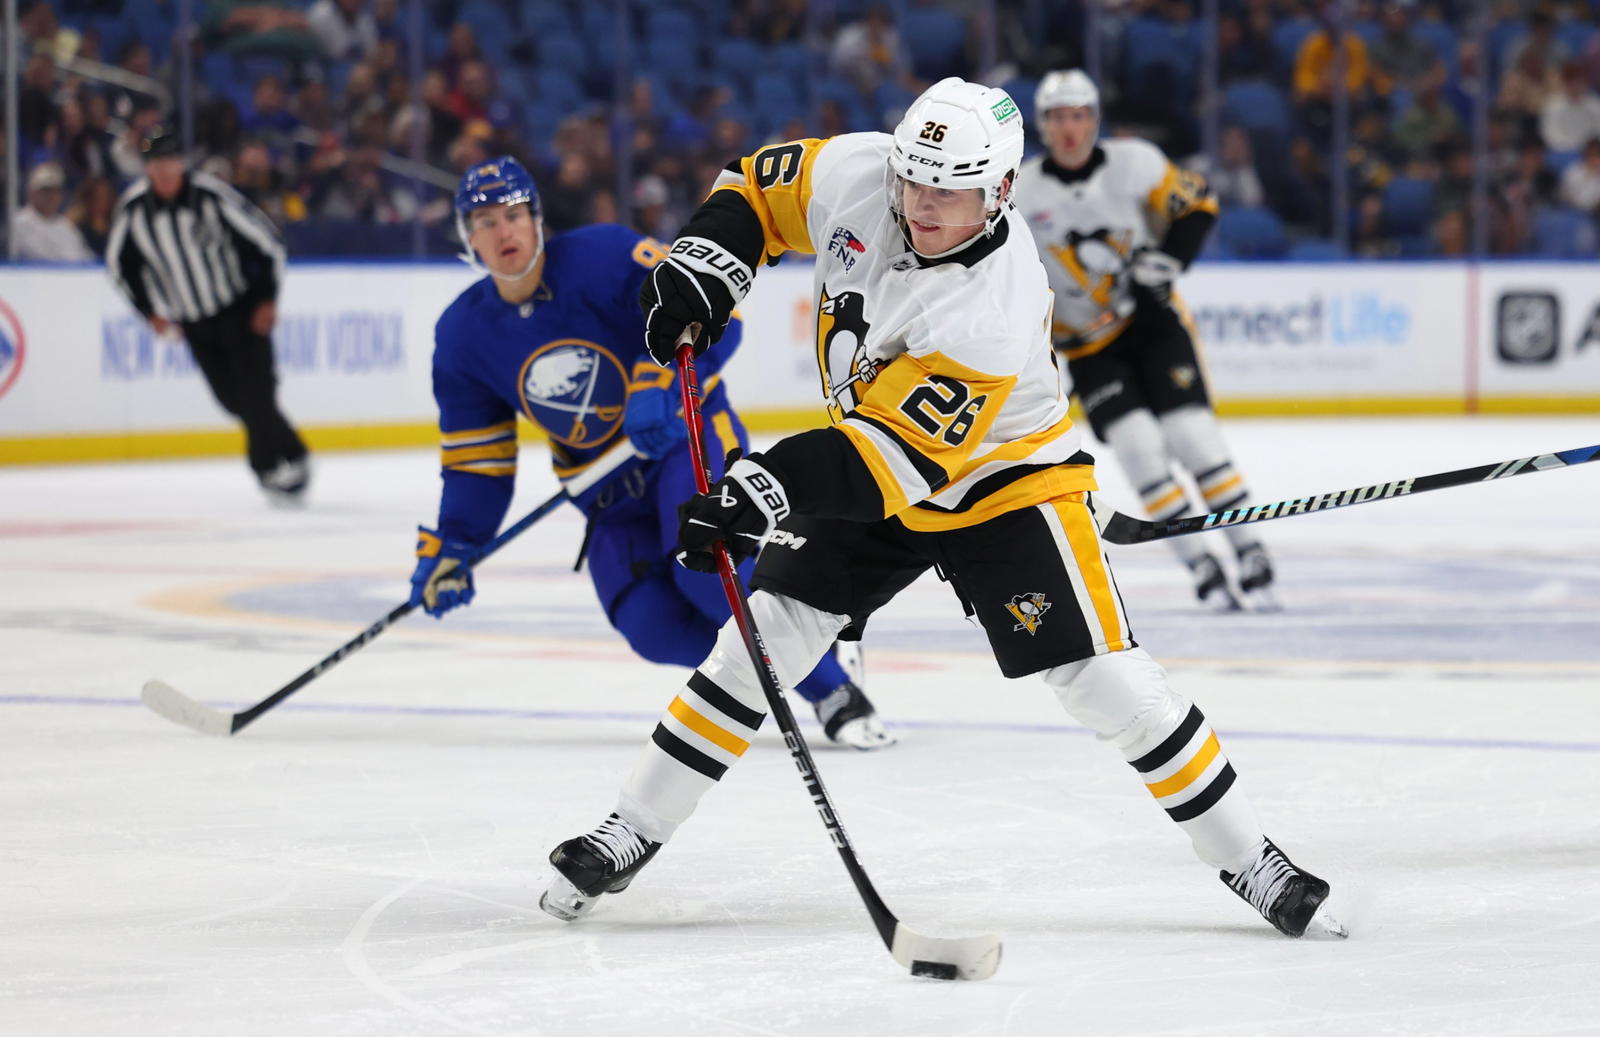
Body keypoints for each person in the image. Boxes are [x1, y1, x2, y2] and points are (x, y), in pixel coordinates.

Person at [537, 78, 1344, 942]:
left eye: (949, 189)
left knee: (1105, 680)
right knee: (758, 641)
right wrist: (705, 268)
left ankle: (1250, 857)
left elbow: (893, 460)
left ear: (999, 191)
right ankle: (631, 830)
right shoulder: (863, 170)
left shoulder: (993, 302)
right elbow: (756, 189)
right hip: (870, 453)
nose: (922, 203)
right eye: (915, 179)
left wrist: (757, 490)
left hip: (1002, 481)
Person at [409, 157, 892, 750]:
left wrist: (658, 382)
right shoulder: (462, 334)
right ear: (467, 238)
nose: (503, 231)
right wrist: (456, 540)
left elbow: (720, 315)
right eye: (484, 221)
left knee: (706, 578)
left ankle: (830, 687)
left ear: (537, 219)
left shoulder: (603, 255)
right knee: (650, 626)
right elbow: (478, 460)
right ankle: (783, 660)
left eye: (513, 214)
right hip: (605, 491)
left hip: (683, 440)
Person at [1015, 70, 1279, 612]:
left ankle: (1249, 548)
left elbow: (1198, 204)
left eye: (1080, 115)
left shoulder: (1135, 162)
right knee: (1139, 453)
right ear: (1044, 125)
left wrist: (1172, 261)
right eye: (1059, 118)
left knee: (1193, 438)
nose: (1070, 129)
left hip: (1152, 326)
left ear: (1094, 119)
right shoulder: (1018, 191)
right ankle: (1199, 563)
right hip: (1086, 348)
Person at [106, 129, 309, 505]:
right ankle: (293, 451)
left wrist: (267, 299)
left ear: (182, 163)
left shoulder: (212, 197)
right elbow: (121, 267)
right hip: (194, 322)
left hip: (241, 310)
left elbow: (266, 242)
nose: (163, 171)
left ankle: (272, 467)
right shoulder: (134, 210)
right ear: (147, 168)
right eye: (155, 164)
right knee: (233, 401)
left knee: (258, 392)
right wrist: (150, 313)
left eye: (169, 162)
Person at [11, 162, 94, 261]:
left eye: (55, 191)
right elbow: (38, 256)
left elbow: (87, 257)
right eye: (46, 190)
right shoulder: (18, 222)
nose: (51, 196)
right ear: (32, 192)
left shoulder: (66, 225)